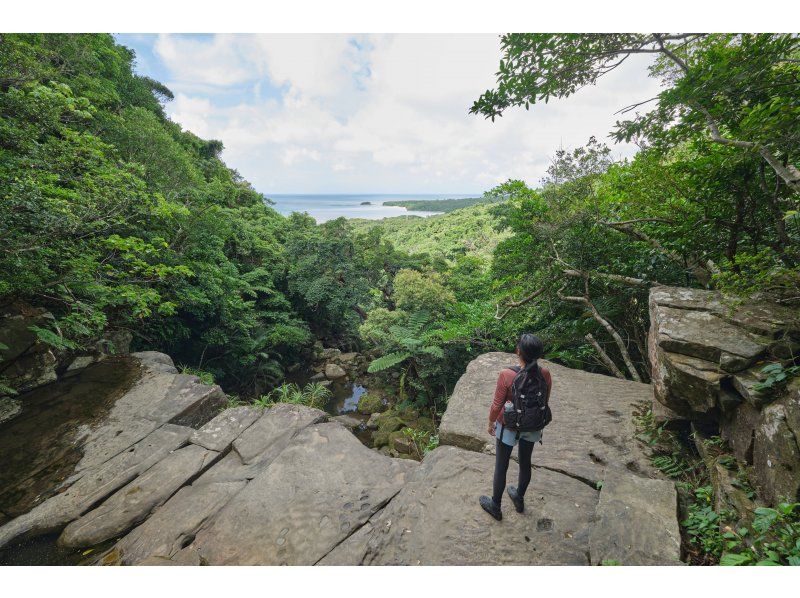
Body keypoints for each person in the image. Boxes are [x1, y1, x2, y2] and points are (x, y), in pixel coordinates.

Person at [479, 333, 552, 521]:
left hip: (509, 426)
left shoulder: (507, 374)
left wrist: (490, 422)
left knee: (501, 466)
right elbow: (545, 399)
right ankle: (519, 498)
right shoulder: (545, 374)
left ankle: (495, 505)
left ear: (518, 351)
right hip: (533, 426)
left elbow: (497, 405)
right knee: (525, 462)